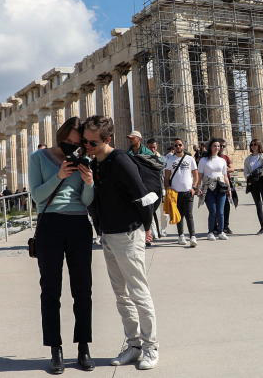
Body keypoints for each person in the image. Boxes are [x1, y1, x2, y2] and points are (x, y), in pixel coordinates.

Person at [83, 115, 160, 370]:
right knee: (121, 295)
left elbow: (143, 196)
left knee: (138, 292)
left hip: (128, 235)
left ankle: (151, 348)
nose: (87, 147)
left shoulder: (120, 160)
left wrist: (146, 228)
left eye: (92, 143)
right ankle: (134, 344)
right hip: (108, 235)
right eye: (85, 142)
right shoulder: (96, 164)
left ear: (107, 139)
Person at [28, 117, 95, 373]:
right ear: (61, 137)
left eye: (76, 144)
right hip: (50, 224)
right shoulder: (39, 158)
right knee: (50, 289)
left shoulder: (83, 160)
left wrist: (89, 183)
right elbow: (37, 196)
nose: (72, 147)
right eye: (68, 142)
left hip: (78, 223)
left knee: (83, 288)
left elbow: (86, 200)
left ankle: (83, 346)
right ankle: (55, 348)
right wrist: (58, 176)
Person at [164, 138, 200, 247]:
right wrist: (168, 188)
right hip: (175, 192)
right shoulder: (170, 160)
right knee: (178, 215)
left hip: (188, 191)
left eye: (180, 145)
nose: (178, 147)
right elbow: (166, 177)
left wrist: (194, 187)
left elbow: (195, 175)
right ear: (173, 148)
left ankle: (192, 236)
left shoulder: (190, 159)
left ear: (183, 146)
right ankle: (181, 235)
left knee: (189, 214)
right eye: (176, 145)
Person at [198, 138, 231, 241]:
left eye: (218, 146)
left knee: (220, 212)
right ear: (210, 147)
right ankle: (210, 232)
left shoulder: (222, 160)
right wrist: (198, 188)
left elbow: (225, 176)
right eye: (214, 146)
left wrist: (229, 189)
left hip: (220, 187)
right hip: (208, 188)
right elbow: (200, 176)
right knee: (213, 211)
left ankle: (221, 231)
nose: (217, 148)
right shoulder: (204, 160)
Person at [244, 139, 263, 235]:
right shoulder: (248, 159)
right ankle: (262, 227)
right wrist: (250, 176)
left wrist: (258, 174)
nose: (253, 146)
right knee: (258, 205)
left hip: (262, 181)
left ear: (259, 145)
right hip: (253, 182)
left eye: (255, 144)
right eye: (251, 145)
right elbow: (245, 172)